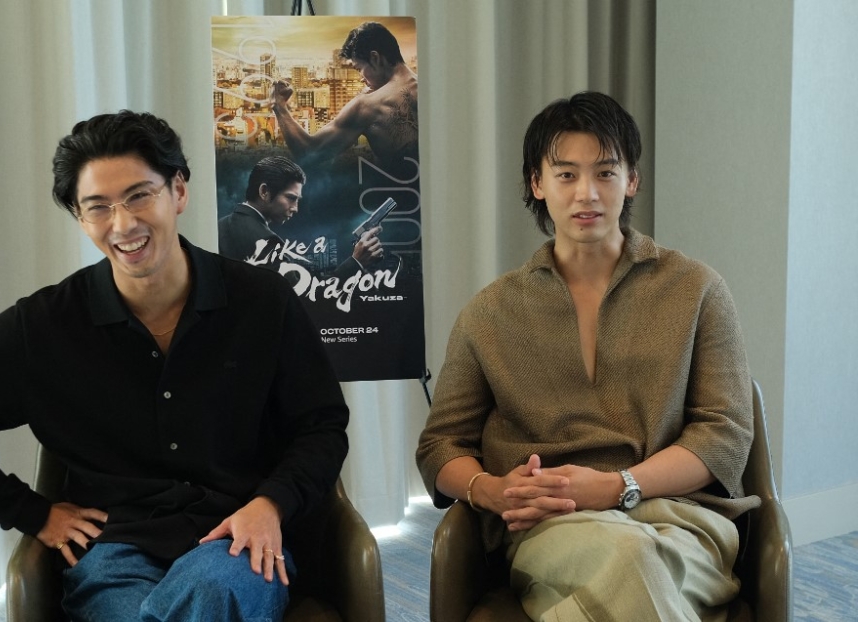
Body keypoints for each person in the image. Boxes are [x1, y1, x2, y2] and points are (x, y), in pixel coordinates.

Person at [0, 111, 349, 621]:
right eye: (98, 207)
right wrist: (29, 511)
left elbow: (321, 426)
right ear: (80, 219)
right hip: (116, 547)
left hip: (238, 535)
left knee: (209, 591)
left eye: (138, 196)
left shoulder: (262, 300)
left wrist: (272, 504)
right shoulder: (46, 324)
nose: (123, 224)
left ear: (178, 192)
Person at [416, 92, 759, 621]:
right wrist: (489, 489)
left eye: (605, 173)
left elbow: (726, 434)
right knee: (628, 557)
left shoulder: (697, 290)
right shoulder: (491, 312)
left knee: (631, 561)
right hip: (555, 527)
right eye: (567, 174)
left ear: (632, 180)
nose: (587, 194)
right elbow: (441, 444)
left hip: (683, 519)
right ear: (537, 183)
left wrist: (618, 487)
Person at [271, 21, 418, 172]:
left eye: (359, 69)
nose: (361, 78)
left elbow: (309, 153)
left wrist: (279, 106)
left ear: (375, 58)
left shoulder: (369, 105)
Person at [218, 155, 384, 274]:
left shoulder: (220, 226)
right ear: (264, 192)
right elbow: (308, 297)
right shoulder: (267, 242)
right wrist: (356, 262)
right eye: (291, 198)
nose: (295, 208)